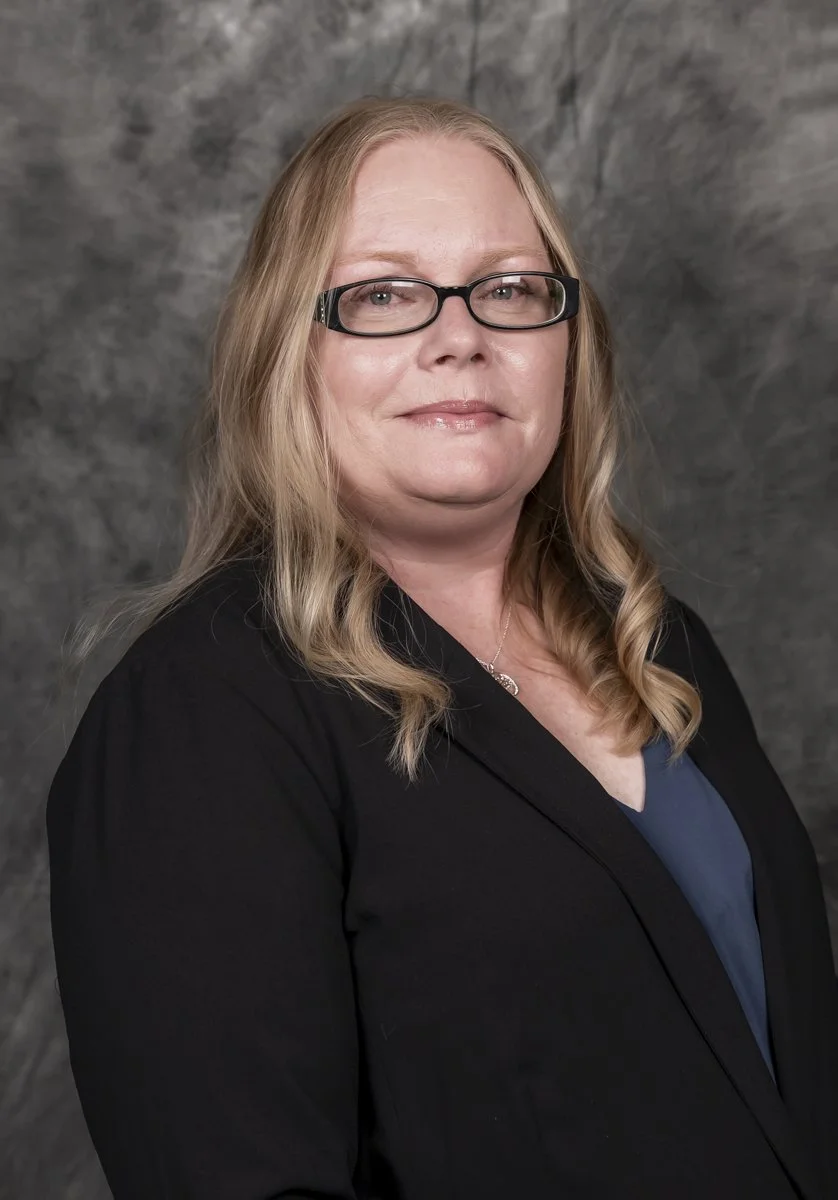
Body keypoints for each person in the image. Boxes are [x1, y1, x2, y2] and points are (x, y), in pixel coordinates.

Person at [46, 94, 838, 1200]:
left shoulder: (653, 642)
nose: (459, 336)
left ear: (567, 339)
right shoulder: (204, 711)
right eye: (382, 295)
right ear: (290, 350)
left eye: (511, 288)